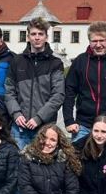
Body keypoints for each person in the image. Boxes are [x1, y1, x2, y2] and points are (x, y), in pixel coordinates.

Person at [4, 18, 64, 150]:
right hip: (20, 126)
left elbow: (58, 95)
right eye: (33, 34)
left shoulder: (55, 63)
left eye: (40, 34)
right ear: (28, 36)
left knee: (43, 165)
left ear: (46, 37)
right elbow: (9, 91)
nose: (37, 38)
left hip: (44, 126)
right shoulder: (17, 61)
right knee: (18, 165)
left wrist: (39, 118)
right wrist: (16, 113)